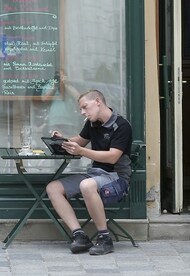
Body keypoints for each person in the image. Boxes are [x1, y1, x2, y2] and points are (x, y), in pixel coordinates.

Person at [46, 89, 132, 255]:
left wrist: (81, 151)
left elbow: (113, 157)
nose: (82, 112)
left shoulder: (121, 125)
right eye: (81, 109)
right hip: (95, 175)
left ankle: (104, 238)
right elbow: (80, 140)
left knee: (86, 185)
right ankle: (80, 236)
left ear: (98, 101)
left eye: (85, 107)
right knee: (53, 188)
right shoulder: (92, 123)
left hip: (116, 178)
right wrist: (62, 140)